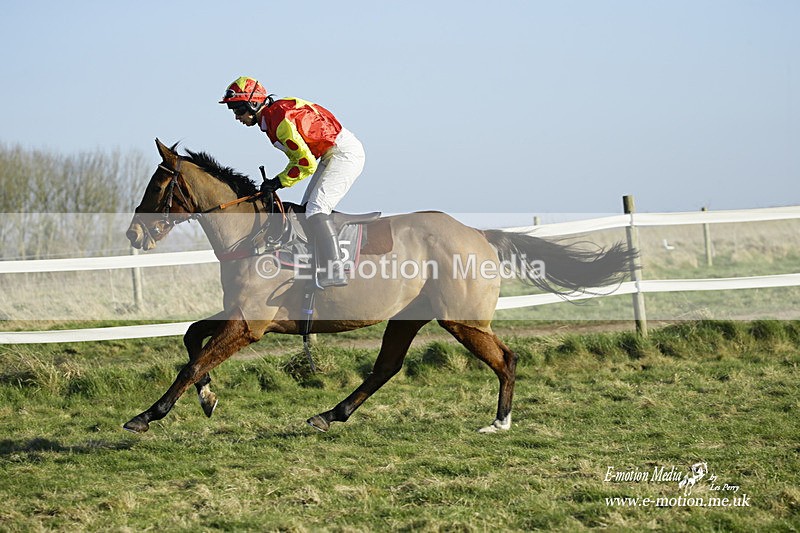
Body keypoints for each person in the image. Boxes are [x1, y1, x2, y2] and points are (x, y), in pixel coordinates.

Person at [219, 76, 366, 288]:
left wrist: (278, 182)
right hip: (329, 154)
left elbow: (305, 163)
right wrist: (279, 181)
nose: (236, 117)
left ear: (253, 104)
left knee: (316, 210)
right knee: (306, 210)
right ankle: (315, 264)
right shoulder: (274, 114)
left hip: (343, 154)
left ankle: (335, 270)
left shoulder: (278, 121)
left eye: (238, 110)